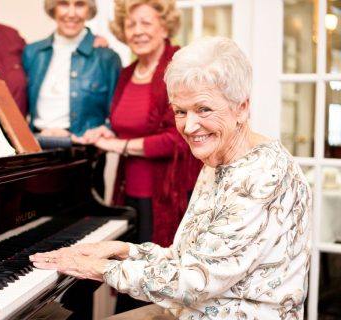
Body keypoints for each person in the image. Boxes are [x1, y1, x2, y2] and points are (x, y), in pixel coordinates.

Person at [30, 37, 312, 319]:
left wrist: (98, 268)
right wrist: (125, 250)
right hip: (194, 309)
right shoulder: (218, 158)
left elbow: (197, 281)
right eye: (180, 111)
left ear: (241, 107)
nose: (189, 127)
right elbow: (193, 259)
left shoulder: (262, 174)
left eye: (204, 109)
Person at [79, 0, 202, 246]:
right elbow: (130, 124)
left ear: (165, 27)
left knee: (160, 275)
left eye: (146, 23)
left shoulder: (181, 70)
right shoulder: (127, 72)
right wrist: (108, 131)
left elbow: (179, 138)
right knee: (126, 273)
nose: (137, 31)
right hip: (128, 194)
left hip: (170, 195)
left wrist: (118, 146)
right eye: (130, 24)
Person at [23, 0, 122, 138]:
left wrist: (98, 133)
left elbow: (118, 114)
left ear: (89, 9)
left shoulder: (107, 58)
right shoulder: (32, 52)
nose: (71, 13)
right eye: (63, 4)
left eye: (80, 4)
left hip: (84, 153)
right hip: (37, 148)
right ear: (53, 8)